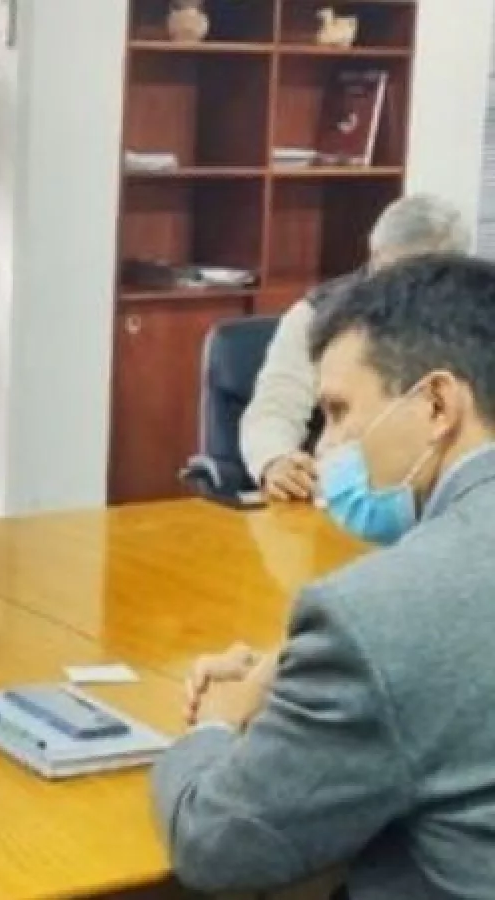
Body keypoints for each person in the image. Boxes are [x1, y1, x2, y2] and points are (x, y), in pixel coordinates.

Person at [154, 254, 495, 897]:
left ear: (437, 405)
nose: (325, 446)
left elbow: (218, 843)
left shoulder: (380, 613)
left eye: (338, 412)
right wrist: (310, 677)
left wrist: (216, 724)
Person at [241, 194, 470, 502]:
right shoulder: (317, 316)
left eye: (427, 281)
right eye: (397, 276)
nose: (409, 294)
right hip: (345, 493)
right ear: (376, 257)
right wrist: (275, 460)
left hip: (448, 491)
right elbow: (276, 406)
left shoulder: (473, 319)